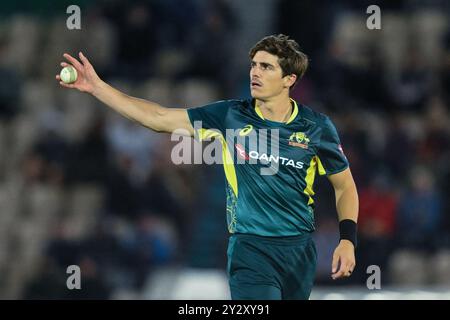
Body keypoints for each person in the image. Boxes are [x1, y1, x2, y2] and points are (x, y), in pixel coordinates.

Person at [56, 34, 359, 300]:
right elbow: (159, 118)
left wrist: (347, 240)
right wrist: (98, 88)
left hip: (299, 251)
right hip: (251, 248)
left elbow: (344, 185)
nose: (255, 72)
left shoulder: (316, 127)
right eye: (253, 64)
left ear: (289, 79)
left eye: (266, 67)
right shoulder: (230, 116)